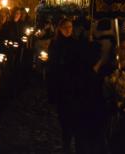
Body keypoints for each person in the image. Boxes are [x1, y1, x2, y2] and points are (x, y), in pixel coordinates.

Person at [47, 18, 81, 153]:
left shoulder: (75, 43)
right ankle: (66, 141)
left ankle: (71, 139)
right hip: (61, 85)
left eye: (70, 27)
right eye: (65, 27)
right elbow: (52, 66)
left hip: (73, 85)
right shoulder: (55, 44)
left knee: (73, 115)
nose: (68, 30)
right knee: (63, 116)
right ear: (60, 29)